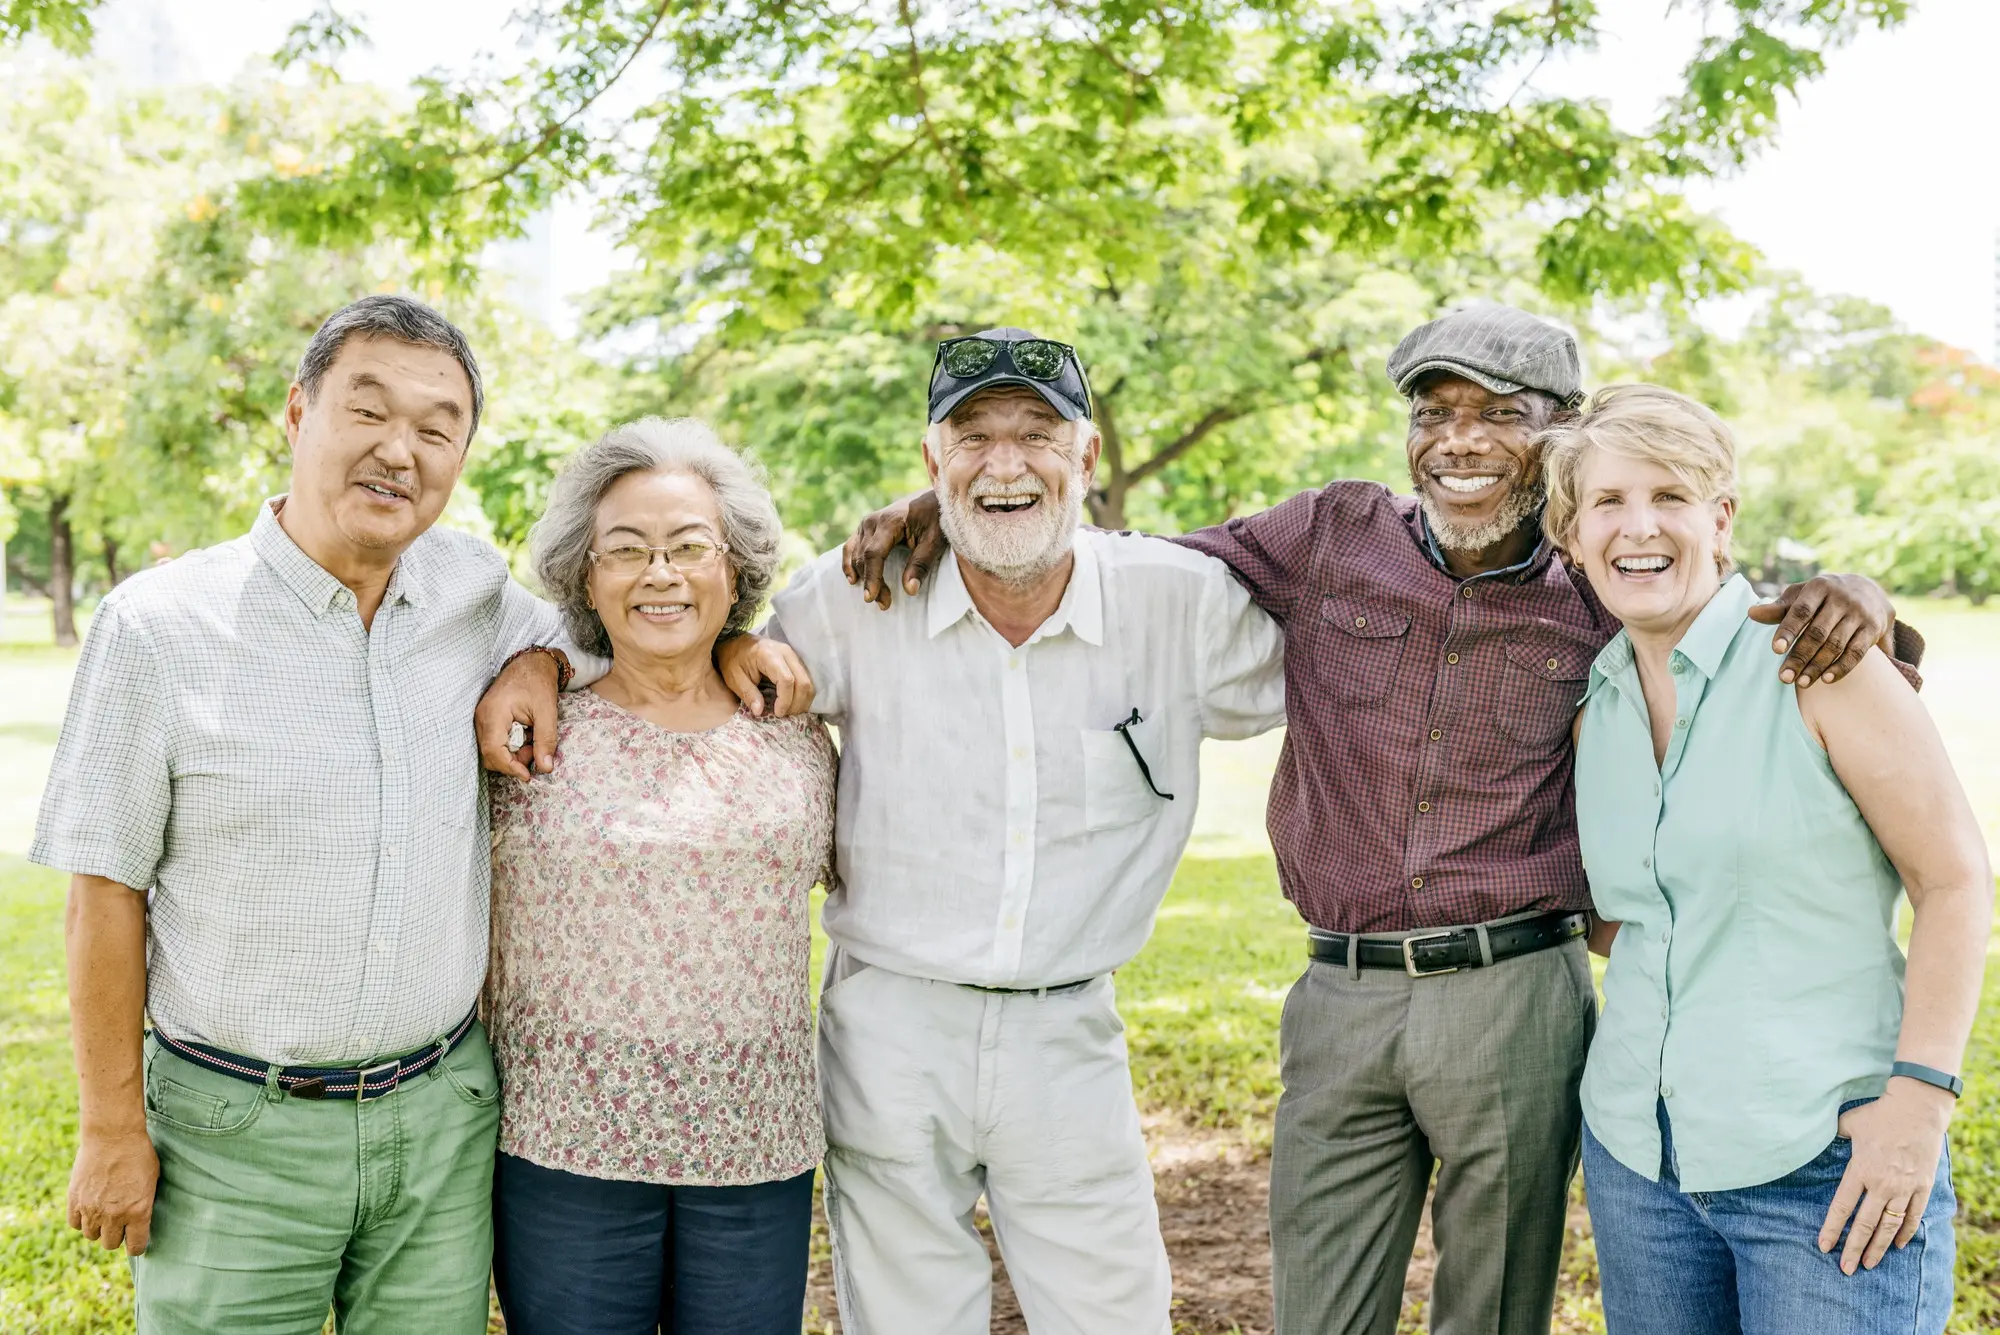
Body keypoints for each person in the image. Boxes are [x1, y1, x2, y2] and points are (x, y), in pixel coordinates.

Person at [836, 305, 1914, 1335]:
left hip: (1515, 993)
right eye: (1432, 413)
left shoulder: (1596, 579)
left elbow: (1729, 595)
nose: (1458, 441)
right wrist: (952, 509)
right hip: (1338, 999)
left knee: (1492, 1310)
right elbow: (1122, 563)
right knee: (1318, 1303)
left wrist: (1853, 589)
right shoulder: (1328, 532)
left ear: (1562, 439)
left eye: (1499, 413)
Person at [478, 326, 1288, 1333]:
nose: (1005, 463)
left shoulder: (1180, 605)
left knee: (1113, 1315)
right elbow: (666, 633)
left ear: (1085, 457)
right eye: (971, 438)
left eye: (1036, 434)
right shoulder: (855, 597)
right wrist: (543, 660)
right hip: (889, 1025)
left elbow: (1349, 642)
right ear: (930, 464)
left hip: (1068, 1026)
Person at [32, 295, 798, 1334]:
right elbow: (103, 892)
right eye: (369, 410)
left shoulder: (471, 591)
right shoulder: (159, 627)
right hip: (233, 1130)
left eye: (437, 429)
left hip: (439, 1125)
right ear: (297, 414)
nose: (402, 451)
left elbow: (621, 629)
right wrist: (111, 1125)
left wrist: (729, 645)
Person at [1537, 385, 1989, 1335]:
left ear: (1723, 519)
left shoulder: (1820, 667)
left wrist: (1918, 1105)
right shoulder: (1595, 707)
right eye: (1607, 503)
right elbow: (1630, 918)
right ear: (1571, 537)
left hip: (1827, 1166)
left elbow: (1953, 881)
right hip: (1641, 1165)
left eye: (1670, 496)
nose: (1639, 527)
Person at [484, 418, 836, 1335]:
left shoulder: (794, 732)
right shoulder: (528, 730)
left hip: (755, 1142)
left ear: (735, 570)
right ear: (586, 577)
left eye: (689, 548)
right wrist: (537, 660)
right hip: (564, 1143)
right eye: (627, 551)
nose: (660, 573)